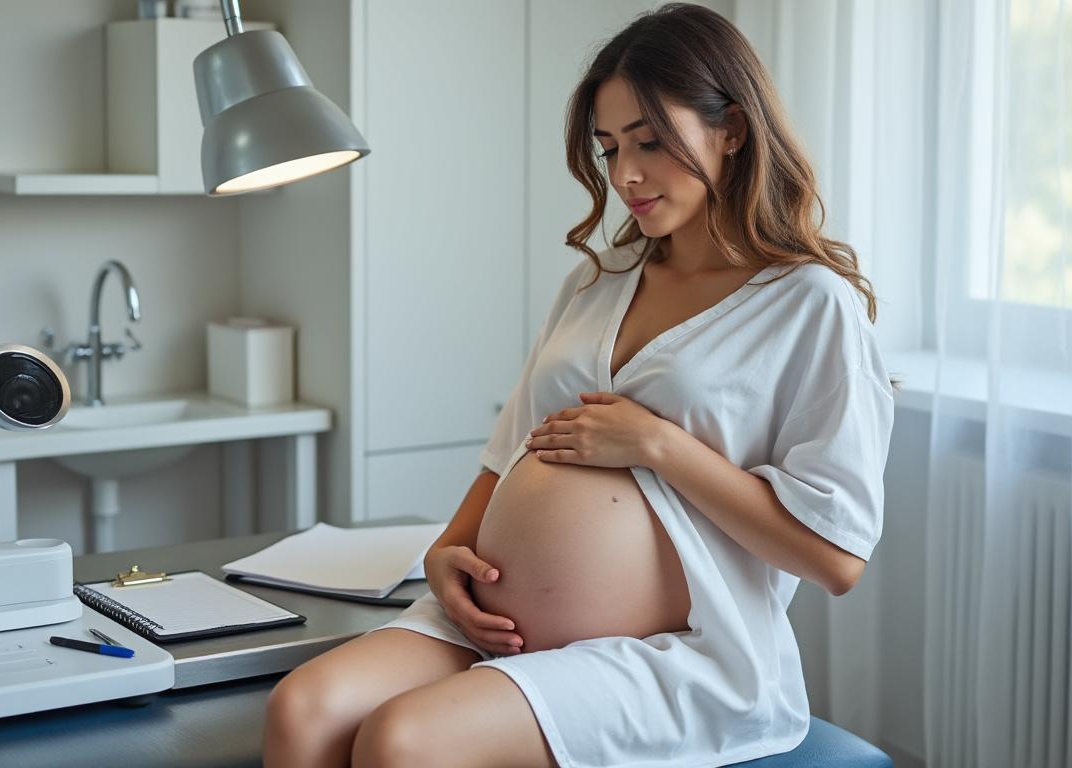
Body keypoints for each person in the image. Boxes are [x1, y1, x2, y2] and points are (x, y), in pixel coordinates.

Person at [262, 4, 897, 766]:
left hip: (673, 652)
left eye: (652, 142)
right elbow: (510, 453)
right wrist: (447, 552)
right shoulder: (600, 279)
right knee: (302, 711)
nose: (626, 174)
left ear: (730, 129)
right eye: (609, 149)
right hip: (498, 621)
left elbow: (837, 559)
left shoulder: (807, 304)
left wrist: (659, 446)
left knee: (401, 741)